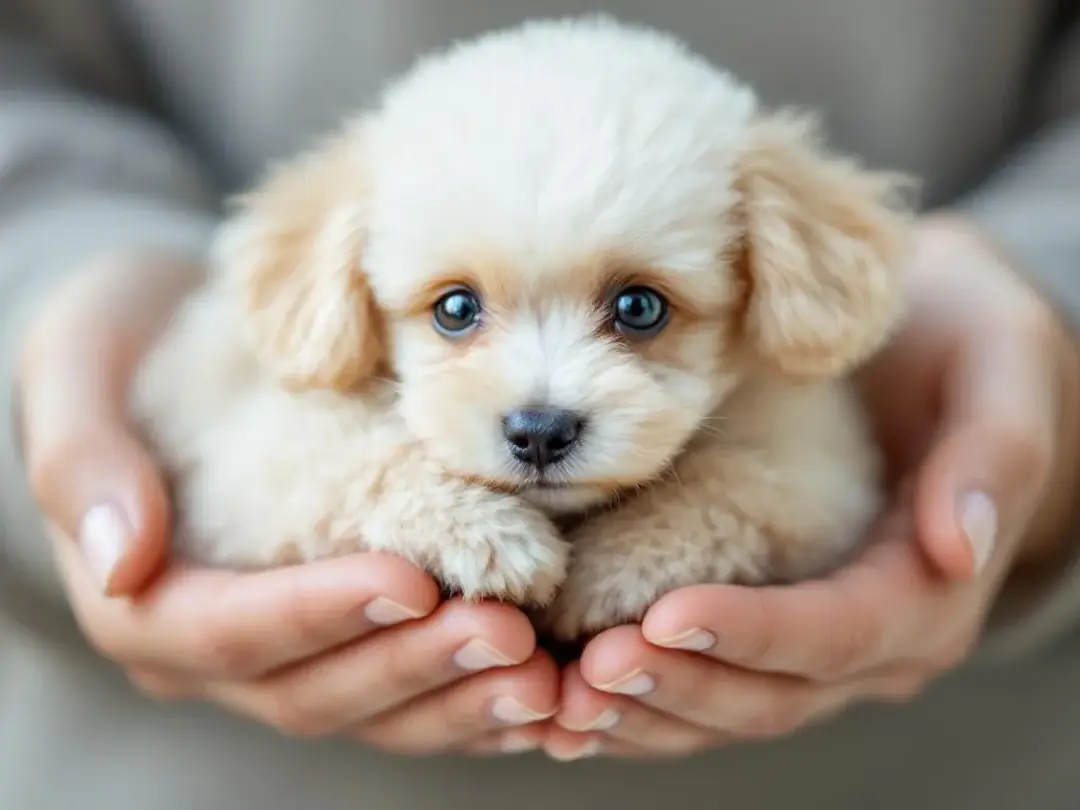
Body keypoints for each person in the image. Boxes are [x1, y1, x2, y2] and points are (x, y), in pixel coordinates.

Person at [2, 1, 1079, 808]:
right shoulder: (315, 289)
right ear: (356, 281)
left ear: (764, 273)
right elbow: (257, 475)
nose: (542, 403)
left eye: (640, 309)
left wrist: (1051, 301)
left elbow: (813, 486)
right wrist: (43, 281)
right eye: (458, 310)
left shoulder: (791, 379)